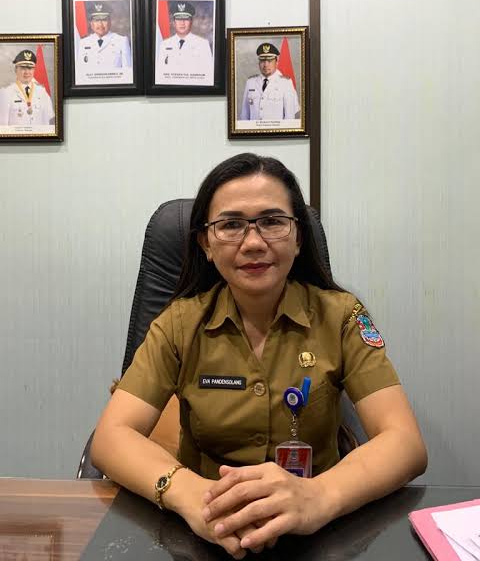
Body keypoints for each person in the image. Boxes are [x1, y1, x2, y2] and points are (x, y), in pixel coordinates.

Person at [91, 153, 427, 559]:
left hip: (318, 536)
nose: (253, 243)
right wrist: (191, 495)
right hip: (206, 533)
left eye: (272, 221)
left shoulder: (341, 317)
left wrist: (318, 496)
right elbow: (110, 437)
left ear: (298, 237)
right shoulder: (179, 324)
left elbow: (405, 442)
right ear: (206, 243)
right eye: (231, 225)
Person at [155, 1, 213, 85]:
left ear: (191, 21)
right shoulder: (164, 45)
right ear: (174, 22)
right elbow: (160, 75)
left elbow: (209, 76)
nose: (182, 23)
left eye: (186, 19)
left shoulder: (203, 45)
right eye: (178, 19)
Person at [239, 43, 300, 121]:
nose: (266, 65)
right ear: (259, 63)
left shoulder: (286, 83)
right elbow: (244, 115)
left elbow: (289, 117)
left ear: (276, 62)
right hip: (254, 129)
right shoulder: (250, 82)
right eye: (262, 61)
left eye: (269, 61)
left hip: (277, 129)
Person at [0, 49, 54, 127]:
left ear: (34, 70)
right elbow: (2, 127)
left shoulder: (43, 93)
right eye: (23, 68)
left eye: (30, 68)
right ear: (16, 70)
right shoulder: (5, 93)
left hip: (39, 135)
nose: (27, 72)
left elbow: (48, 123)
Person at [76, 3, 132, 70]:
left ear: (110, 22)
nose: (100, 24)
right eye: (96, 20)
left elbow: (127, 71)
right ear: (91, 24)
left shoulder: (121, 41)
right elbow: (80, 70)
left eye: (104, 20)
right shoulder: (83, 43)